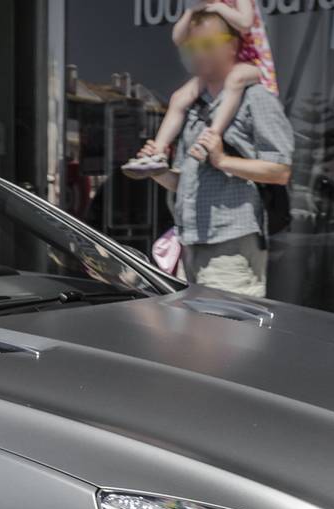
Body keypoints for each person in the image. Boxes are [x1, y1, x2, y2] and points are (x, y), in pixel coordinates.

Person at [137, 9, 294, 297]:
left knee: (229, 338)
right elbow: (185, 182)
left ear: (232, 46)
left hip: (231, 248)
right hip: (189, 243)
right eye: (193, 47)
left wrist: (223, 160)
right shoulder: (194, 105)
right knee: (194, 340)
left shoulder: (255, 98)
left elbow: (281, 171)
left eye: (208, 44)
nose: (199, 54)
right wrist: (157, 172)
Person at [122, 0, 276, 176]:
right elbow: (178, 38)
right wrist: (190, 12)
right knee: (180, 97)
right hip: (221, 67)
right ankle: (157, 152)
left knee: (236, 79)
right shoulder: (202, 6)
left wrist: (220, 8)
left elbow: (245, 23)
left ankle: (210, 137)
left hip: (252, 62)